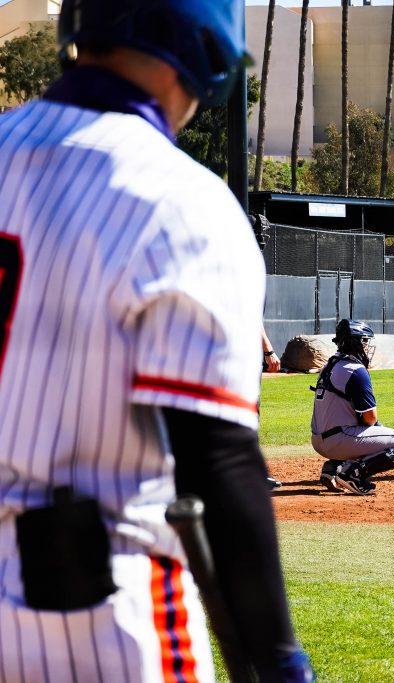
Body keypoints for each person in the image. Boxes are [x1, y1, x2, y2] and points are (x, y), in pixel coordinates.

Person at [0, 1, 315, 681]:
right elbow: (220, 461)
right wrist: (279, 657)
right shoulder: (181, 199)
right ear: (206, 46)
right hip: (99, 614)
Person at [313, 320, 394, 495]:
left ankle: (333, 467)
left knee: (364, 427)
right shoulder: (355, 370)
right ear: (354, 342)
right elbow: (370, 418)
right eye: (364, 341)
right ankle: (352, 475)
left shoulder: (329, 366)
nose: (366, 346)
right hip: (339, 441)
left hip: (319, 441)